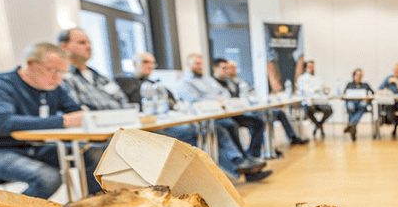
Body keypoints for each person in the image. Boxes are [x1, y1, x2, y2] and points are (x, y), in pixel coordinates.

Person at [91, 45, 268, 183]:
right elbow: (123, 105)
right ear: (134, 64)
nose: (149, 66)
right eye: (145, 62)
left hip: (171, 120)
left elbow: (173, 102)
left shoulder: (158, 83)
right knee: (209, 130)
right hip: (145, 127)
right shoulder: (123, 82)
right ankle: (230, 168)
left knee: (217, 129)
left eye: (152, 63)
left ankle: (236, 164)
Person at [0, 42, 98, 199]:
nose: (57, 78)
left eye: (62, 72)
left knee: (93, 154)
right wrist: (63, 121)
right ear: (30, 63)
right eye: (52, 70)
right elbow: (0, 124)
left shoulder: (54, 88)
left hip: (26, 147)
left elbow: (75, 112)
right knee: (48, 178)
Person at [211, 58, 268, 157]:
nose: (227, 71)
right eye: (224, 68)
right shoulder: (211, 83)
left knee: (258, 123)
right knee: (231, 126)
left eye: (228, 68)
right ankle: (243, 159)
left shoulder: (230, 82)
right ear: (215, 69)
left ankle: (253, 155)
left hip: (235, 113)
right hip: (222, 117)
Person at [296, 60, 333, 139]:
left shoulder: (318, 78)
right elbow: (303, 91)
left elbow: (321, 89)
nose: (311, 68)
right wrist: (313, 91)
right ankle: (319, 125)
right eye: (309, 66)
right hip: (307, 102)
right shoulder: (301, 79)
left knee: (329, 110)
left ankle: (318, 125)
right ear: (305, 67)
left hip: (318, 101)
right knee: (307, 110)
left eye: (312, 66)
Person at [377, 63, 398, 138]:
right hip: (390, 102)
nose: (396, 72)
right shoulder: (388, 78)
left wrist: (396, 81)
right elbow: (379, 90)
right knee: (388, 109)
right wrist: (385, 92)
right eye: (395, 70)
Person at [343, 68, 374, 141]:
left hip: (362, 104)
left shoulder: (365, 85)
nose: (359, 77)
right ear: (354, 76)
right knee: (351, 106)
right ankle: (352, 126)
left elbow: (372, 94)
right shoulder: (349, 84)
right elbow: (344, 95)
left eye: (360, 75)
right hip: (352, 103)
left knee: (362, 105)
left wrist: (367, 99)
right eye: (357, 75)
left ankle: (350, 125)